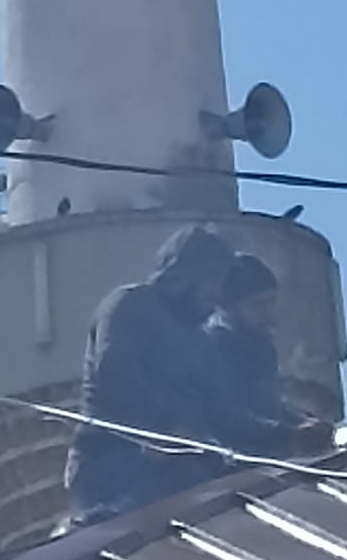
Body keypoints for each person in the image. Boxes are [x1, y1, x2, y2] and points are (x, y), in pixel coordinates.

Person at [65, 224, 238, 525]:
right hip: (113, 457)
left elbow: (224, 413)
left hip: (179, 461)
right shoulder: (130, 304)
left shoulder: (201, 342)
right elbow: (114, 371)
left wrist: (288, 431)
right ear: (187, 273)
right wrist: (164, 430)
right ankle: (108, 520)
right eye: (213, 280)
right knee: (187, 480)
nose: (217, 294)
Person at [204, 253, 331, 458]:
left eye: (271, 302)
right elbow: (224, 416)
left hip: (268, 457)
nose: (268, 313)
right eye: (257, 305)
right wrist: (287, 434)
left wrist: (301, 421)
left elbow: (267, 404)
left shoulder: (261, 347)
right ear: (230, 309)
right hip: (228, 464)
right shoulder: (213, 347)